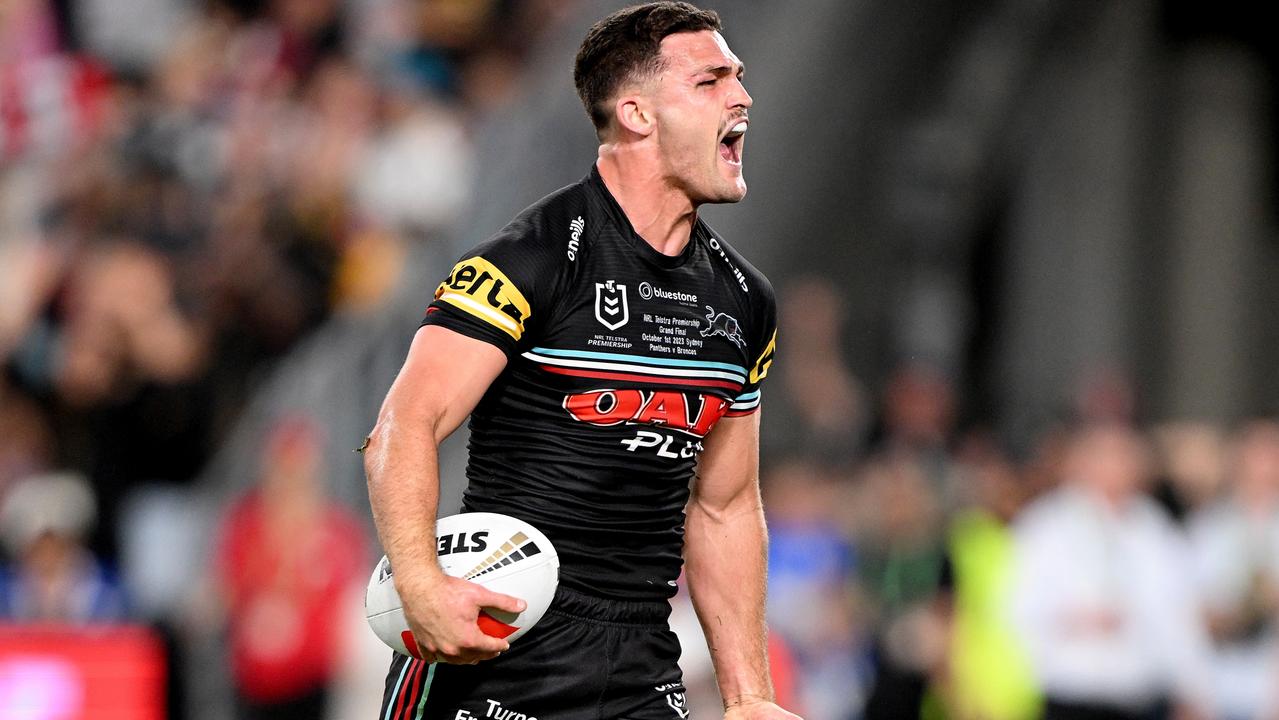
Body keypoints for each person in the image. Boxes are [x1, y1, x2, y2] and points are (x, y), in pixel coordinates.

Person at [363, 3, 797, 718]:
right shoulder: (529, 258)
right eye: (711, 80)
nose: (741, 96)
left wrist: (749, 696)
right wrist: (419, 583)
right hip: (498, 646)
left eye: (739, 78)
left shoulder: (745, 300)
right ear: (636, 113)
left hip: (640, 668)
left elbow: (722, 507)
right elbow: (402, 426)